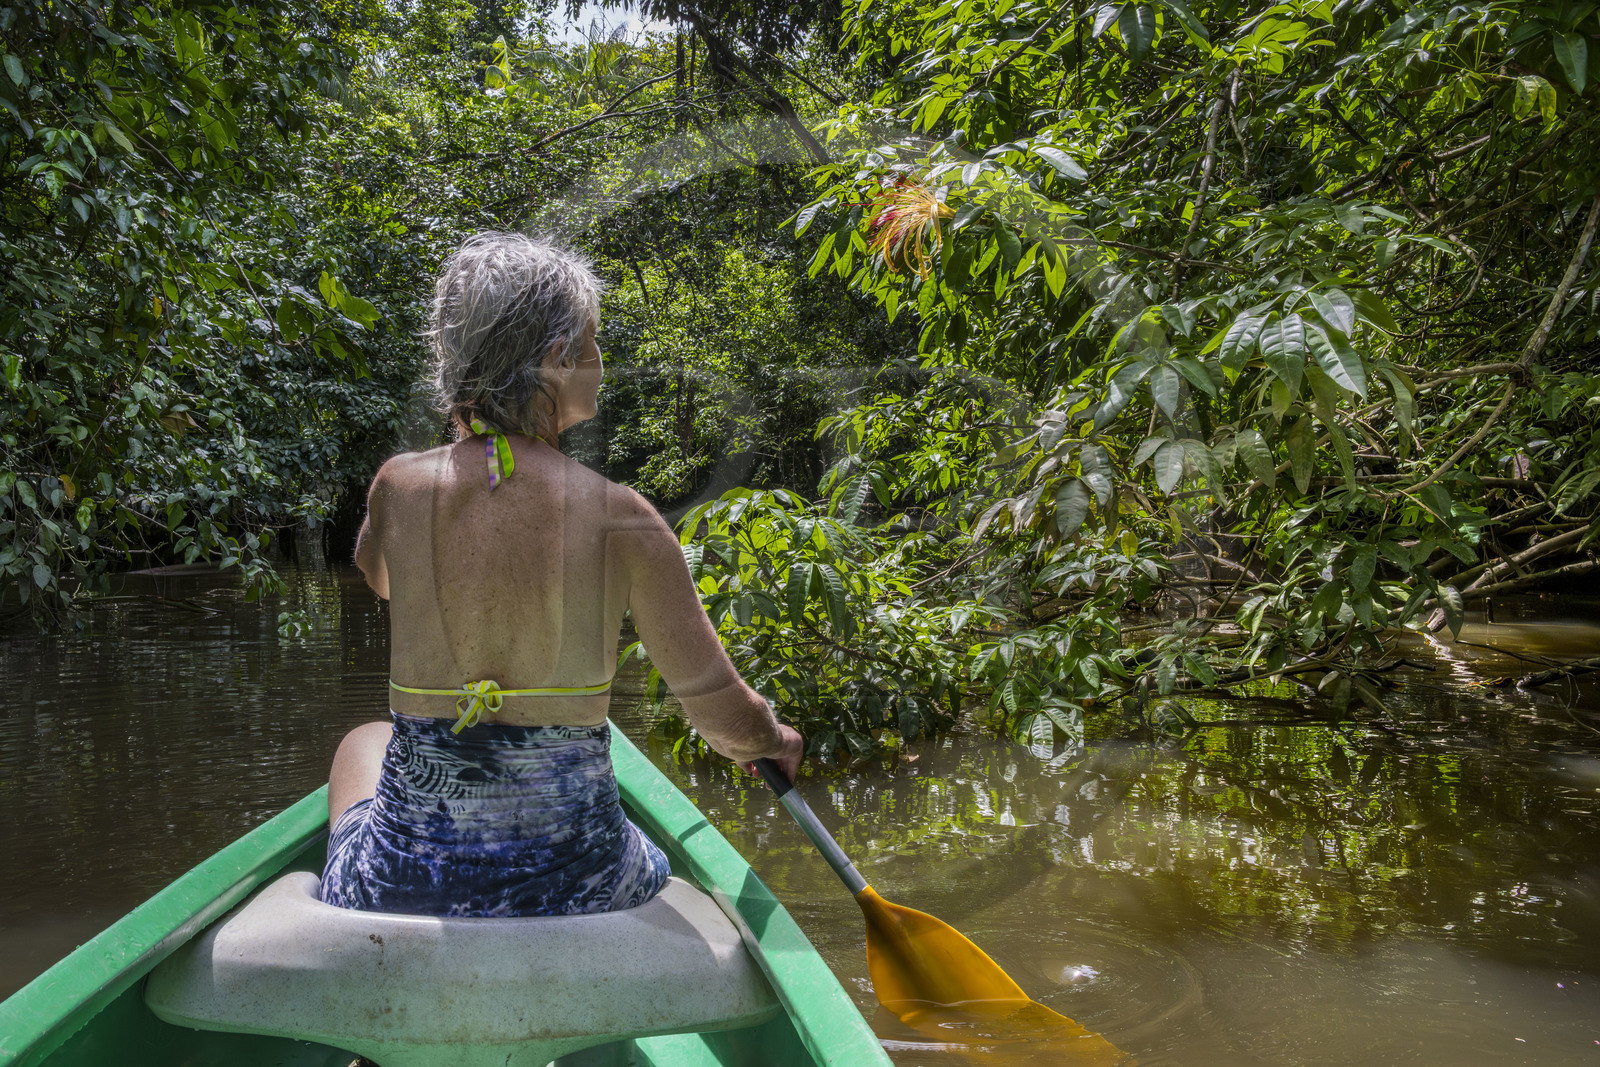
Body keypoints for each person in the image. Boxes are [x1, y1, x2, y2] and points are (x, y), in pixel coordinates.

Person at [320, 231, 804, 918]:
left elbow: (380, 578)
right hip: (586, 887)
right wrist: (775, 739)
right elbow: (726, 722)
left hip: (403, 884)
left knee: (362, 740)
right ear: (556, 359)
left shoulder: (397, 490)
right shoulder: (624, 519)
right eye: (592, 343)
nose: (601, 362)